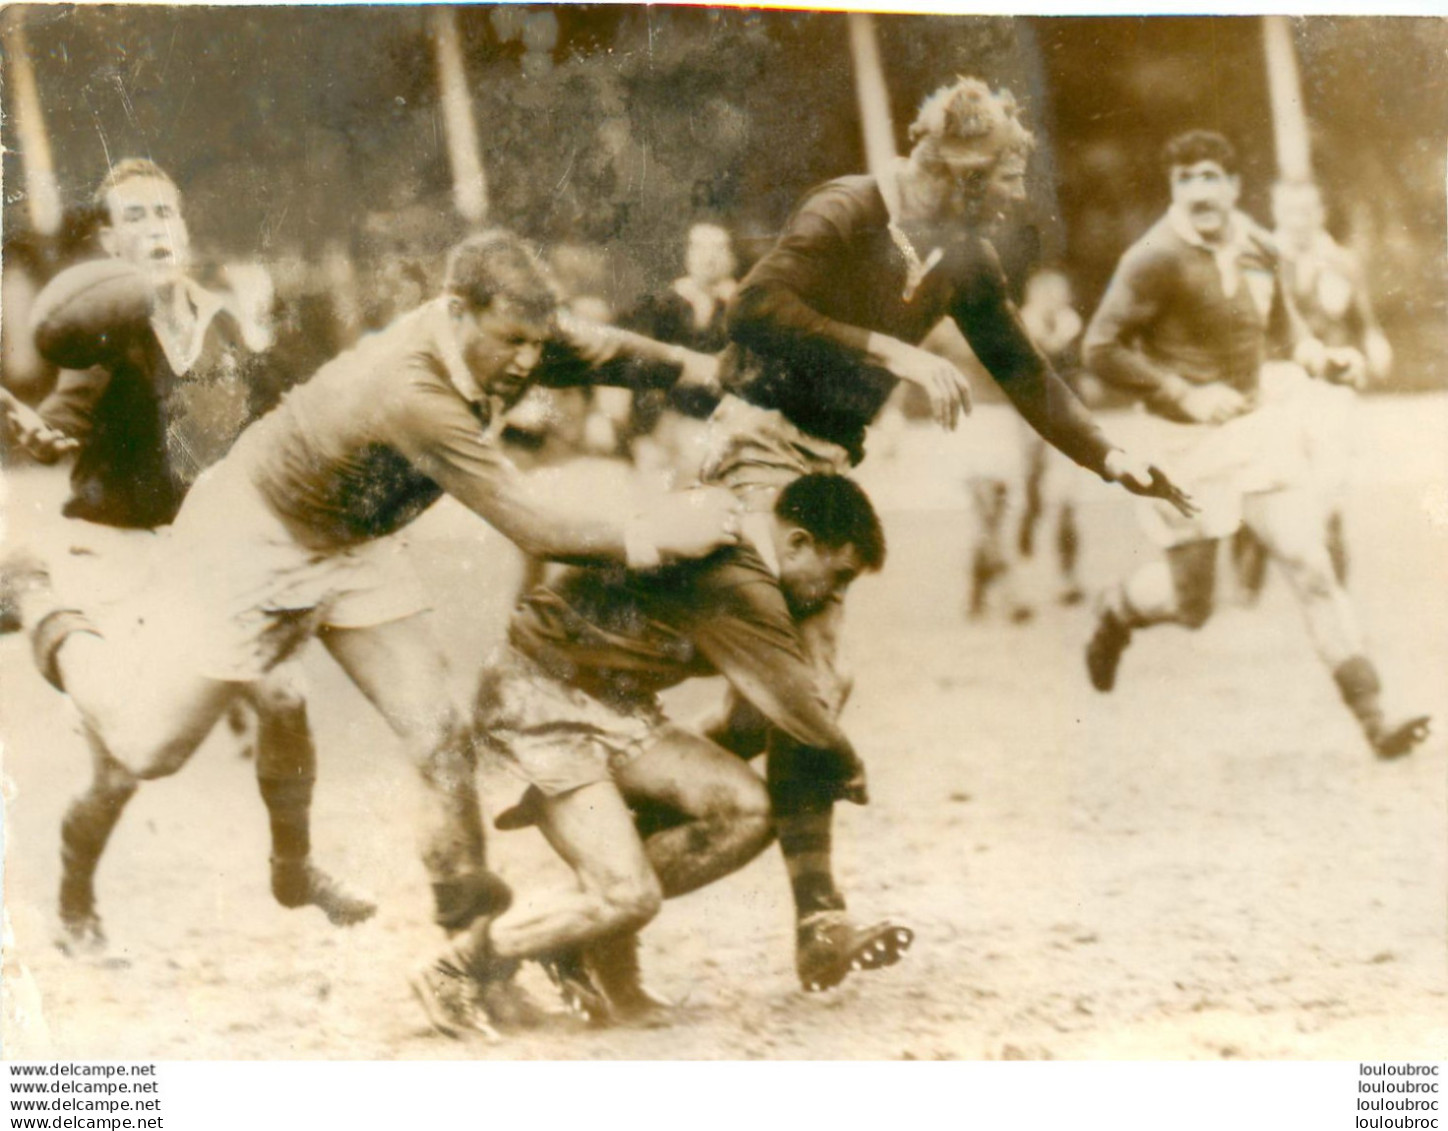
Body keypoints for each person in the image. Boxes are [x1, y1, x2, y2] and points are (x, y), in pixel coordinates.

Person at [6, 230, 745, 968]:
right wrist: (661, 529)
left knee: (441, 737)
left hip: (355, 537)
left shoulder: (519, 329)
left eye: (536, 339)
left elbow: (612, 352)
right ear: (457, 311)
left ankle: (467, 955)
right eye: (512, 341)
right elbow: (535, 525)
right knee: (147, 748)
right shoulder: (414, 391)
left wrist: (710, 371)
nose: (528, 359)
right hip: (252, 537)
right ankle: (39, 601)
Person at [701, 76, 1192, 992]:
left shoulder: (962, 257)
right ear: (935, 162)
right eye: (969, 188)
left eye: (988, 195)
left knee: (775, 702)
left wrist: (1112, 455)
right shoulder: (849, 209)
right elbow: (752, 310)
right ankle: (813, 908)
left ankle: (672, 820)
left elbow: (1026, 371)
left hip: (822, 468)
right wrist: (887, 347)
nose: (971, 211)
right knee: (807, 685)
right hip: (754, 443)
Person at [17, 159, 373, 953]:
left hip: (204, 552)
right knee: (127, 767)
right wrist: (46, 431)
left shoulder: (223, 322)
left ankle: (295, 869)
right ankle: (74, 904)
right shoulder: (104, 325)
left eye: (164, 213)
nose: (154, 230)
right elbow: (67, 410)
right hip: (113, 553)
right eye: (134, 218)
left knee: (283, 692)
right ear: (109, 241)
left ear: (184, 226)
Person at [412, 473, 888, 1037]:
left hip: (612, 705)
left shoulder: (736, 542)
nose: (835, 597)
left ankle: (581, 935)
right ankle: (454, 966)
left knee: (745, 810)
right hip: (537, 701)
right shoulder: (744, 580)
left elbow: (754, 718)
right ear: (799, 542)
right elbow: (799, 709)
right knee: (626, 895)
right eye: (839, 577)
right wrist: (848, 765)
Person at [1080, 130, 1429, 760]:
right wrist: (1183, 393)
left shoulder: (1260, 247)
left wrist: (1325, 360)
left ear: (1235, 187)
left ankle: (1377, 720)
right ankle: (1117, 609)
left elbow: (1286, 334)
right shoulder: (1152, 258)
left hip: (1253, 432)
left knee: (1311, 564)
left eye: (1211, 175)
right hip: (1180, 442)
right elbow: (1100, 348)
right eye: (1186, 179)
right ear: (1173, 190)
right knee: (1194, 606)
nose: (1200, 191)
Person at [1231, 179, 1393, 596]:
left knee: (1331, 473)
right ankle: (1251, 535)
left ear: (1320, 212)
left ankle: (1330, 541)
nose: (1299, 221)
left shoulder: (1340, 261)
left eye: (1307, 211)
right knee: (1271, 472)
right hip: (1277, 376)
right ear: (1277, 213)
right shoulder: (1260, 258)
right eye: (1290, 211)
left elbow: (1364, 320)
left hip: (1329, 379)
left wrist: (1376, 345)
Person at [620, 221, 738, 487]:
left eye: (719, 248)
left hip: (713, 424)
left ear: (731, 257)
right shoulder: (663, 303)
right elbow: (640, 369)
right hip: (662, 422)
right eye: (700, 248)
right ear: (687, 254)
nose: (709, 258)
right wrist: (640, 435)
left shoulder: (737, 308)